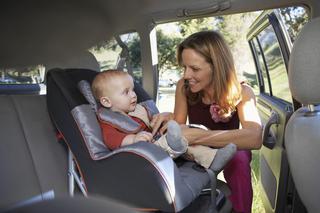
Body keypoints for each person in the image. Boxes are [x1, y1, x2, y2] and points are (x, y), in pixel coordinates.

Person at [150, 31, 262, 213]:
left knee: (240, 158)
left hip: (228, 150)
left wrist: (197, 136)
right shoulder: (184, 87)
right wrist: (171, 118)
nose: (186, 75)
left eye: (194, 69)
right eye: (184, 67)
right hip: (198, 151)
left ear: (216, 66)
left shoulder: (243, 91)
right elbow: (179, 127)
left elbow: (255, 137)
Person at [91, 69, 236, 172]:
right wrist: (134, 139)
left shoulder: (137, 111)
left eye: (133, 90)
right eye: (126, 92)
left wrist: (156, 122)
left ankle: (213, 158)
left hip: (157, 143)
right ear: (106, 101)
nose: (134, 95)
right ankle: (175, 142)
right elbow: (112, 140)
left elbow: (150, 123)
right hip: (143, 155)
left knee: (187, 142)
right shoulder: (109, 121)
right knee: (178, 139)